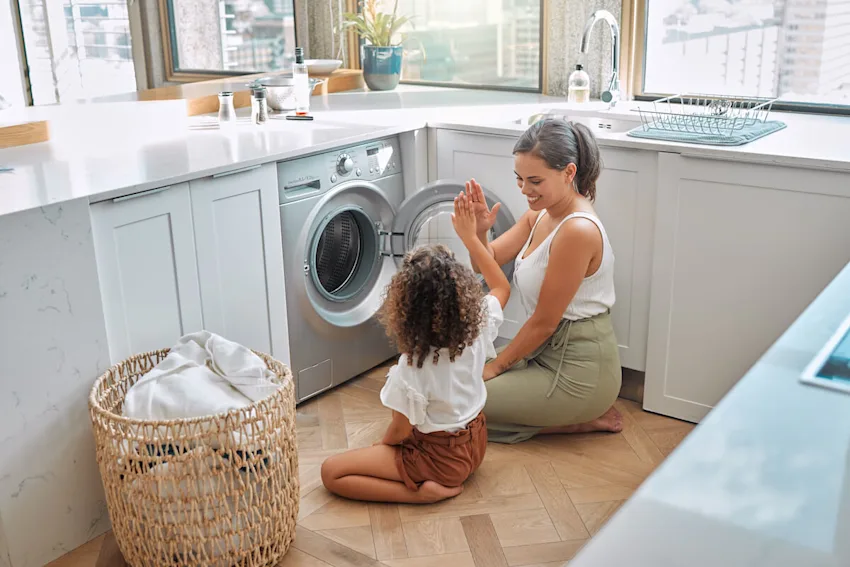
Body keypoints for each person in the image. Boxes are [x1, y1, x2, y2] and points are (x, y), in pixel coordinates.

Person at [320, 193, 510, 503]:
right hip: (476, 446)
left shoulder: (414, 365)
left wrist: (380, 450)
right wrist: (472, 237)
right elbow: (501, 287)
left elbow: (400, 432)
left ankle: (421, 495)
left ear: (406, 309)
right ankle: (433, 479)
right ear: (461, 291)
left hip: (442, 461)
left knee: (332, 472)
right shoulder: (479, 327)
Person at [461, 118, 623, 444]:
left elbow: (545, 323)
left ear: (569, 172)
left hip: (576, 369)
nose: (524, 190)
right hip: (540, 352)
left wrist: (494, 369)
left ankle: (576, 418)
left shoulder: (577, 231)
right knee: (452, 380)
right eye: (519, 179)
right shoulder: (539, 215)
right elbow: (486, 265)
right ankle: (557, 415)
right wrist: (478, 233)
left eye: (535, 180)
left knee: (457, 406)